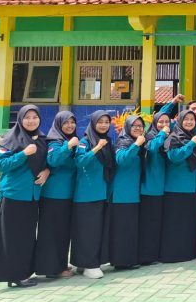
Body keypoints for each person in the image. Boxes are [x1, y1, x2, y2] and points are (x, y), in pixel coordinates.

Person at [0, 105, 49, 287]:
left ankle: (22, 273)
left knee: (26, 237)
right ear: (20, 119)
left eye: (35, 117)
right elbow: (2, 165)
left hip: (32, 196)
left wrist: (47, 171)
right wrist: (23, 153)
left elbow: (45, 161)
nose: (31, 121)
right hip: (13, 195)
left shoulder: (41, 139)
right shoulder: (10, 139)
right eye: (27, 117)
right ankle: (13, 275)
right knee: (11, 238)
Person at [71, 111, 114, 279]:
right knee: (87, 231)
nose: (103, 125)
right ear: (93, 123)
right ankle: (89, 264)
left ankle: (83, 262)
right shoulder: (85, 142)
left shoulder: (108, 141)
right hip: (86, 194)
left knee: (96, 230)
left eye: (106, 122)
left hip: (102, 192)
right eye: (100, 122)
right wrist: (97, 148)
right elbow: (79, 161)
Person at [35, 110, 77, 279]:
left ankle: (59, 264)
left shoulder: (69, 140)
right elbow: (53, 160)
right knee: (51, 233)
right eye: (66, 122)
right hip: (54, 195)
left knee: (62, 232)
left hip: (67, 194)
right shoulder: (55, 141)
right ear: (59, 124)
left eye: (72, 122)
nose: (70, 125)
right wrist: (68, 146)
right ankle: (50, 268)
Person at [160, 110, 196, 263]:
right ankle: (173, 254)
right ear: (179, 121)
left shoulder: (195, 136)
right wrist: (191, 144)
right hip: (176, 188)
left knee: (188, 223)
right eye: (186, 119)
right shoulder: (173, 137)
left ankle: (188, 252)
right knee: (175, 223)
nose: (189, 122)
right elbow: (174, 157)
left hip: (193, 188)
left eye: (192, 119)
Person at [111, 115, 146, 269]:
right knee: (122, 228)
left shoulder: (136, 142)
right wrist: (136, 145)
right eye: (134, 125)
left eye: (140, 126)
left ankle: (129, 260)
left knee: (130, 228)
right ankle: (121, 261)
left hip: (133, 193)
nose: (137, 128)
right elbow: (122, 160)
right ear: (127, 127)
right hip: (122, 193)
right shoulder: (123, 142)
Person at [138, 112, 170, 265]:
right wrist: (162, 133)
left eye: (167, 122)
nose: (164, 125)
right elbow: (151, 148)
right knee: (148, 224)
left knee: (156, 223)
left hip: (161, 188)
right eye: (160, 122)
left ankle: (154, 254)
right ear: (154, 123)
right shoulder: (150, 136)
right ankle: (145, 256)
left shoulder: (168, 137)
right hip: (149, 188)